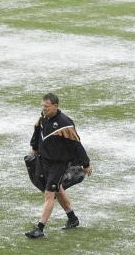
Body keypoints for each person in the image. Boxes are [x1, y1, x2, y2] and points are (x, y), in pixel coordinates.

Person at [25, 93, 92, 238]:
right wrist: (34, 150)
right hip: (44, 161)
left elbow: (76, 145)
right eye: (43, 106)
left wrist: (86, 164)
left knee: (49, 194)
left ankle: (40, 228)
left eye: (47, 107)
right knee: (58, 190)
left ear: (55, 106)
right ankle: (72, 219)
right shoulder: (42, 118)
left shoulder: (65, 124)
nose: (44, 109)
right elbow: (36, 134)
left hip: (59, 164)